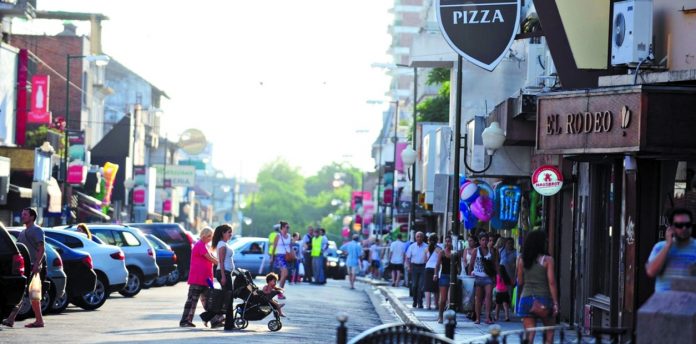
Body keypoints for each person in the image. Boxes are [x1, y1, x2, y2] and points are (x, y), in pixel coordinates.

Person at [2, 208, 46, 328]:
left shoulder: (37, 230)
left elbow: (41, 248)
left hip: (34, 266)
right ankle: (15, 319)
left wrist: (37, 264)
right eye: (22, 214)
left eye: (25, 215)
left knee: (31, 294)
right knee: (28, 293)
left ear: (32, 217)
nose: (23, 216)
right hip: (26, 266)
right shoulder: (23, 232)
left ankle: (36, 321)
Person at [516, 230, 559, 344]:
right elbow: (551, 282)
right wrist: (555, 302)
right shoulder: (548, 260)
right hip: (544, 299)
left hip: (525, 299)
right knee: (549, 334)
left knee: (529, 335)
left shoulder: (521, 259)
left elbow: (520, 282)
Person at [646, 208, 696, 292]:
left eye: (687, 225)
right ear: (671, 227)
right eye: (679, 225)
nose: (684, 228)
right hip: (664, 302)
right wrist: (667, 245)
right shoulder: (660, 247)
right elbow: (651, 272)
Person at [179, 227, 217, 327]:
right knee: (192, 301)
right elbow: (209, 258)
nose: (210, 238)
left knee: (209, 301)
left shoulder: (204, 245)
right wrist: (220, 263)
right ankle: (185, 321)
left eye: (211, 236)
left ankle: (215, 320)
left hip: (205, 279)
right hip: (198, 278)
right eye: (209, 236)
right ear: (203, 235)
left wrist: (219, 261)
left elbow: (211, 257)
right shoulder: (200, 245)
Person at [468, 233, 497, 324]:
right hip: (478, 277)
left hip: (488, 277)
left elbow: (494, 264)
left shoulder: (491, 251)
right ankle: (478, 318)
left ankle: (487, 317)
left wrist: (495, 276)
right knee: (478, 298)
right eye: (483, 240)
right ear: (480, 241)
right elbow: (471, 264)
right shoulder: (475, 251)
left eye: (486, 240)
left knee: (488, 297)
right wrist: (470, 275)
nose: (484, 242)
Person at [212, 224, 235, 329]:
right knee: (229, 298)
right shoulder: (222, 244)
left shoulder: (224, 244)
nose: (231, 234)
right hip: (224, 273)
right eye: (229, 232)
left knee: (229, 298)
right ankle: (228, 324)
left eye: (231, 232)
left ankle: (229, 323)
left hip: (226, 272)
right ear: (223, 233)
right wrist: (223, 277)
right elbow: (220, 261)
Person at [405, 231, 427, 308]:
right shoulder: (412, 246)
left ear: (423, 238)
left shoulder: (426, 247)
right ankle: (415, 301)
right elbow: (407, 257)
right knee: (414, 286)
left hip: (423, 267)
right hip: (414, 267)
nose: (419, 238)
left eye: (420, 236)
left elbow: (428, 258)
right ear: (415, 238)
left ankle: (420, 302)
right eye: (417, 236)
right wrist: (408, 266)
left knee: (420, 286)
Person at [434, 235, 453, 323]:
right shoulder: (442, 252)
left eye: (449, 241)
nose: (448, 243)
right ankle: (440, 315)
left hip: (453, 277)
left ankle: (450, 317)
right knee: (443, 299)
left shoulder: (455, 253)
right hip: (444, 276)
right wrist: (435, 274)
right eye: (446, 241)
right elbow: (437, 264)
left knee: (451, 299)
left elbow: (459, 266)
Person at [271, 221, 293, 299]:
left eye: (288, 227)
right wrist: (272, 257)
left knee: (284, 275)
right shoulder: (278, 236)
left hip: (287, 257)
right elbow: (274, 247)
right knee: (285, 273)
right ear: (282, 227)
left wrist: (293, 255)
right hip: (279, 256)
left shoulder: (289, 236)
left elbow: (290, 247)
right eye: (287, 227)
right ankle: (279, 291)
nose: (288, 229)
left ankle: (280, 292)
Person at [424, 234, 441, 310]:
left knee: (427, 288)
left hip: (427, 268)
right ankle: (436, 305)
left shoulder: (426, 249)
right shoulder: (439, 249)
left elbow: (425, 260)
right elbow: (440, 261)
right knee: (435, 288)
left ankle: (428, 305)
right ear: (437, 240)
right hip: (435, 269)